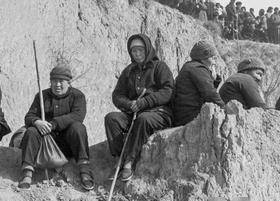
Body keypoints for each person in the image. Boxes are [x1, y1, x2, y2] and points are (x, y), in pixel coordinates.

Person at [104, 34, 174, 181]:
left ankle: (130, 160)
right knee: (112, 118)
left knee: (143, 119)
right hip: (133, 112)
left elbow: (168, 91)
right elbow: (117, 95)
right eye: (134, 51)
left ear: (147, 49)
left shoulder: (160, 67)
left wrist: (145, 102)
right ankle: (120, 159)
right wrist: (129, 104)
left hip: (158, 112)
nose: (137, 54)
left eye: (140, 50)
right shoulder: (129, 71)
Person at [18, 65, 93, 191]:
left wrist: (53, 124)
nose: (57, 85)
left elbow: (77, 116)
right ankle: (27, 173)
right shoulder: (42, 96)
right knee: (31, 131)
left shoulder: (78, 96)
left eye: (61, 81)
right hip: (46, 144)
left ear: (68, 83)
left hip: (68, 145)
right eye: (54, 81)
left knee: (78, 127)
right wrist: (37, 122)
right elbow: (29, 116)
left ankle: (84, 170)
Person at [171, 40, 225, 127]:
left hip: (184, 114)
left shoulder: (192, 66)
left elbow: (207, 91)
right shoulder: (197, 69)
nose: (215, 58)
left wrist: (214, 79)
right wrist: (224, 108)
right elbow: (210, 94)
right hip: (189, 115)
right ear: (204, 57)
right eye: (212, 56)